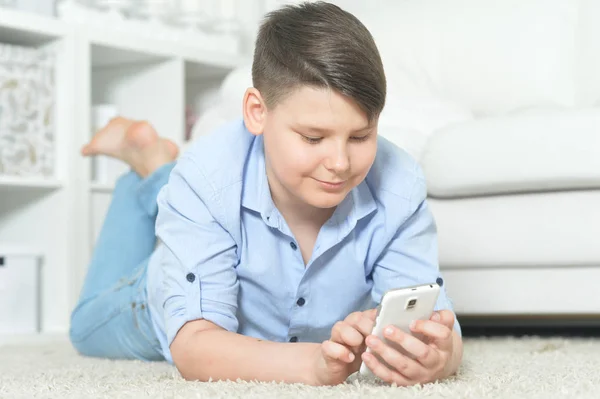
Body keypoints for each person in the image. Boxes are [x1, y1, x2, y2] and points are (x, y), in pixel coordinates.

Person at [69, 1, 463, 387]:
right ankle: (148, 165)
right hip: (159, 294)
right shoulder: (208, 176)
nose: (340, 162)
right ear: (257, 112)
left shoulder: (400, 182)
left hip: (205, 202)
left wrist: (440, 357)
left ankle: (157, 169)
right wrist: (313, 365)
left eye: (361, 136)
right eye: (313, 137)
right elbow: (194, 346)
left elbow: (439, 323)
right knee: (84, 327)